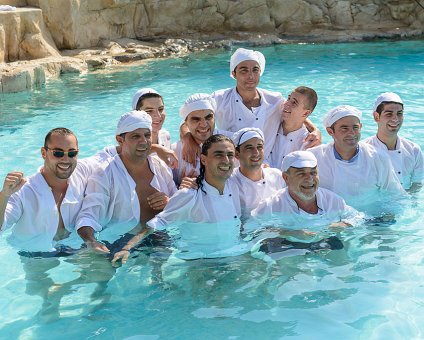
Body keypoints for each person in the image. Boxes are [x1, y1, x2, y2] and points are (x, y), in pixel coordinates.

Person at [182, 48, 321, 166]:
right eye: (244, 70)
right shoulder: (219, 98)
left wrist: (315, 129)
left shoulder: (274, 99)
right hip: (229, 167)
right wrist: (188, 138)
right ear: (233, 73)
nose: (250, 76)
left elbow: (295, 111)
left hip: (266, 168)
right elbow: (191, 116)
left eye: (255, 70)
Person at [76, 110, 177, 254]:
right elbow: (88, 215)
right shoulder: (105, 173)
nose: (144, 141)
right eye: (136, 136)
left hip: (158, 236)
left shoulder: (160, 166)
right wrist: (91, 241)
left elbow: (179, 204)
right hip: (118, 241)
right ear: (120, 139)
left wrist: (169, 202)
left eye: (147, 135)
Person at [147, 134, 248, 260]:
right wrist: (127, 248)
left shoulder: (234, 186)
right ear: (204, 160)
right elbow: (155, 225)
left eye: (230, 155)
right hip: (199, 264)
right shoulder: (189, 195)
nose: (226, 160)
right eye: (218, 155)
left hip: (234, 256)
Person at [0, 127, 90, 252]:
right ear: (44, 153)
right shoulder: (24, 191)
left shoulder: (82, 174)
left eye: (71, 153)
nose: (65, 159)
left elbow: (107, 157)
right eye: (58, 153)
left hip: (72, 246)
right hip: (35, 254)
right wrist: (4, 195)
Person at [309, 105, 405, 212]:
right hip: (328, 221)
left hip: (368, 221)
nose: (351, 133)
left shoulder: (378, 158)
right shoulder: (313, 158)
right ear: (330, 131)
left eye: (355, 127)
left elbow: (394, 194)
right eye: (344, 128)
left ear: (360, 127)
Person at [364, 92, 423, 192]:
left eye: (399, 114)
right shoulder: (363, 150)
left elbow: (418, 183)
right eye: (389, 114)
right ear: (376, 117)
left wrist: (409, 202)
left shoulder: (413, 150)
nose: (395, 119)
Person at [172, 93, 232, 186]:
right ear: (186, 123)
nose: (204, 124)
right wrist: (183, 187)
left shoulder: (232, 141)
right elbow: (168, 189)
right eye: (196, 119)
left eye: (208, 117)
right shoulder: (175, 151)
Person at [231, 127, 285, 221]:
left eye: (259, 147)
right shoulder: (230, 182)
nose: (256, 153)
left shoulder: (277, 175)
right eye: (249, 148)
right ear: (237, 154)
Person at [267, 86, 318, 168]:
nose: (286, 104)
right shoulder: (271, 120)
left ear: (305, 113)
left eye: (294, 103)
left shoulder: (308, 144)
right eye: (288, 99)